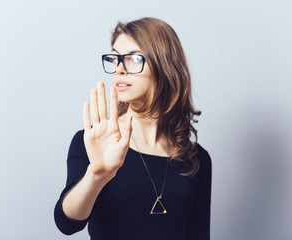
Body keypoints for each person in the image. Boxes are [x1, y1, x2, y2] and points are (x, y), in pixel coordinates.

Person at [54, 17, 212, 240]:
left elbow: (199, 235)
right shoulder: (94, 140)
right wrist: (97, 175)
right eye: (116, 58)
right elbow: (66, 223)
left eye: (133, 59)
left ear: (165, 65)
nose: (119, 69)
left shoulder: (198, 159)